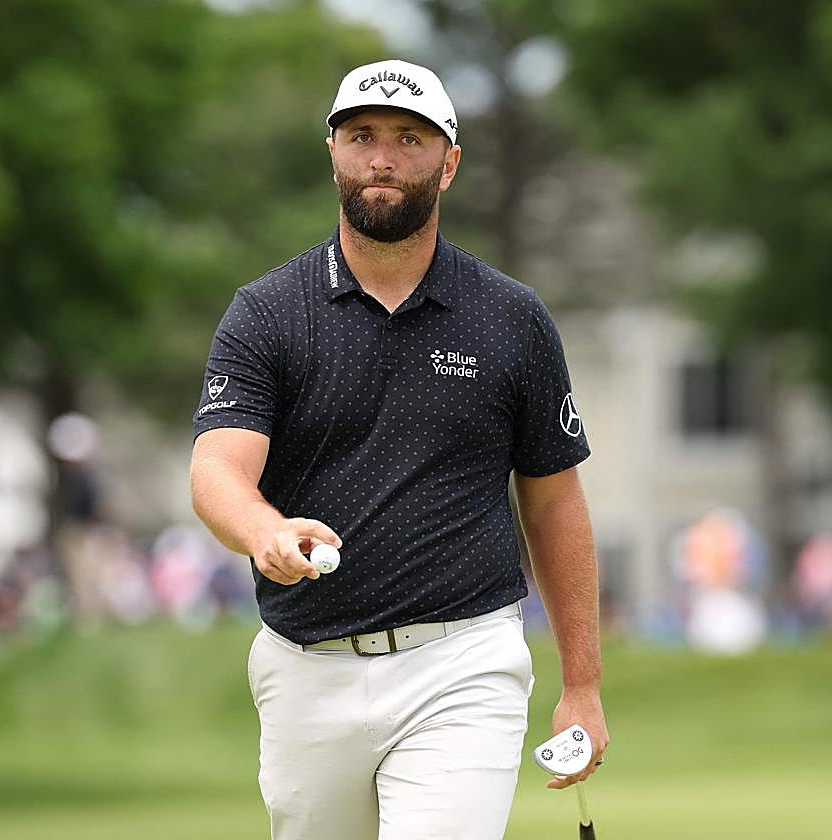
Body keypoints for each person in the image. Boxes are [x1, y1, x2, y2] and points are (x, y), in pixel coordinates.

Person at [190, 58, 608, 840]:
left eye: (409, 139)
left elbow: (554, 501)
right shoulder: (266, 314)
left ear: (449, 164)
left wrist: (581, 685)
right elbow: (217, 467)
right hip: (305, 667)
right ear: (333, 153)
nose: (382, 157)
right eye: (362, 136)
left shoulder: (512, 318)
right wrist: (263, 531)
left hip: (464, 662)